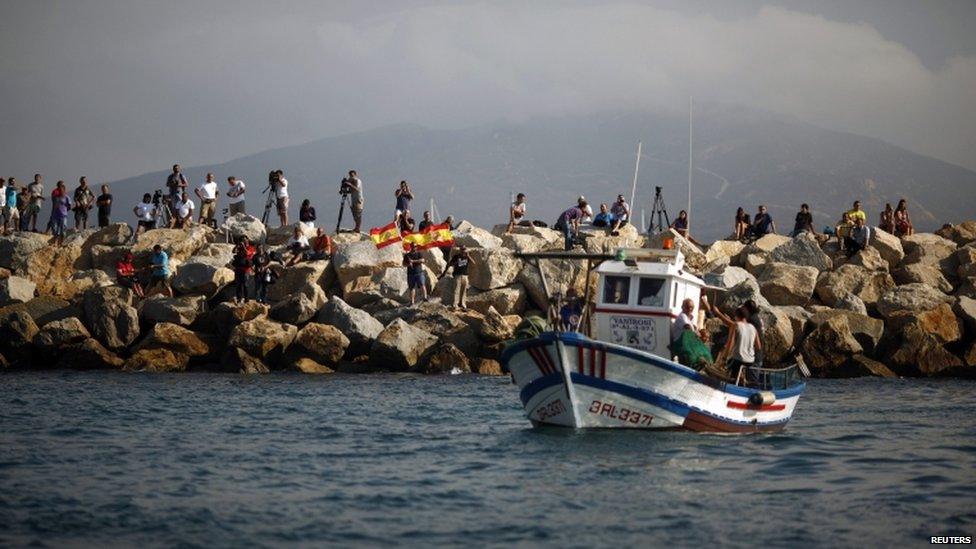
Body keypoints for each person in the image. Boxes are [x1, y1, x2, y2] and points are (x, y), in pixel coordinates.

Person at [439, 244, 470, 310]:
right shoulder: (456, 256)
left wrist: (468, 256)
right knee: (457, 290)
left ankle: (463, 305)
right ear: (460, 250)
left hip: (465, 275)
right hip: (457, 275)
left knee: (464, 290)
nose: (463, 251)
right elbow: (450, 264)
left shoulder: (467, 257)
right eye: (462, 249)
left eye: (464, 249)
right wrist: (456, 263)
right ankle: (455, 305)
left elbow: (474, 263)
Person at [231, 236, 255, 304]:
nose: (244, 241)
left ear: (247, 240)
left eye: (245, 240)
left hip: (246, 270)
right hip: (238, 268)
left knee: (245, 285)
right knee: (238, 285)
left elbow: (248, 253)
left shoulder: (251, 247)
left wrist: (244, 246)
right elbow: (233, 251)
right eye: (242, 240)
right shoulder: (239, 247)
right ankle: (239, 298)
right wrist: (237, 245)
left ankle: (246, 299)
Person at [50, 181, 72, 246]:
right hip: (55, 215)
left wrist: (65, 210)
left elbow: (70, 206)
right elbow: (53, 205)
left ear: (64, 190)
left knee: (63, 230)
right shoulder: (55, 197)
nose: (60, 191)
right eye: (59, 190)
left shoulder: (67, 197)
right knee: (54, 229)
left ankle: (61, 242)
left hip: (63, 215)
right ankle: (55, 241)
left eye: (61, 190)